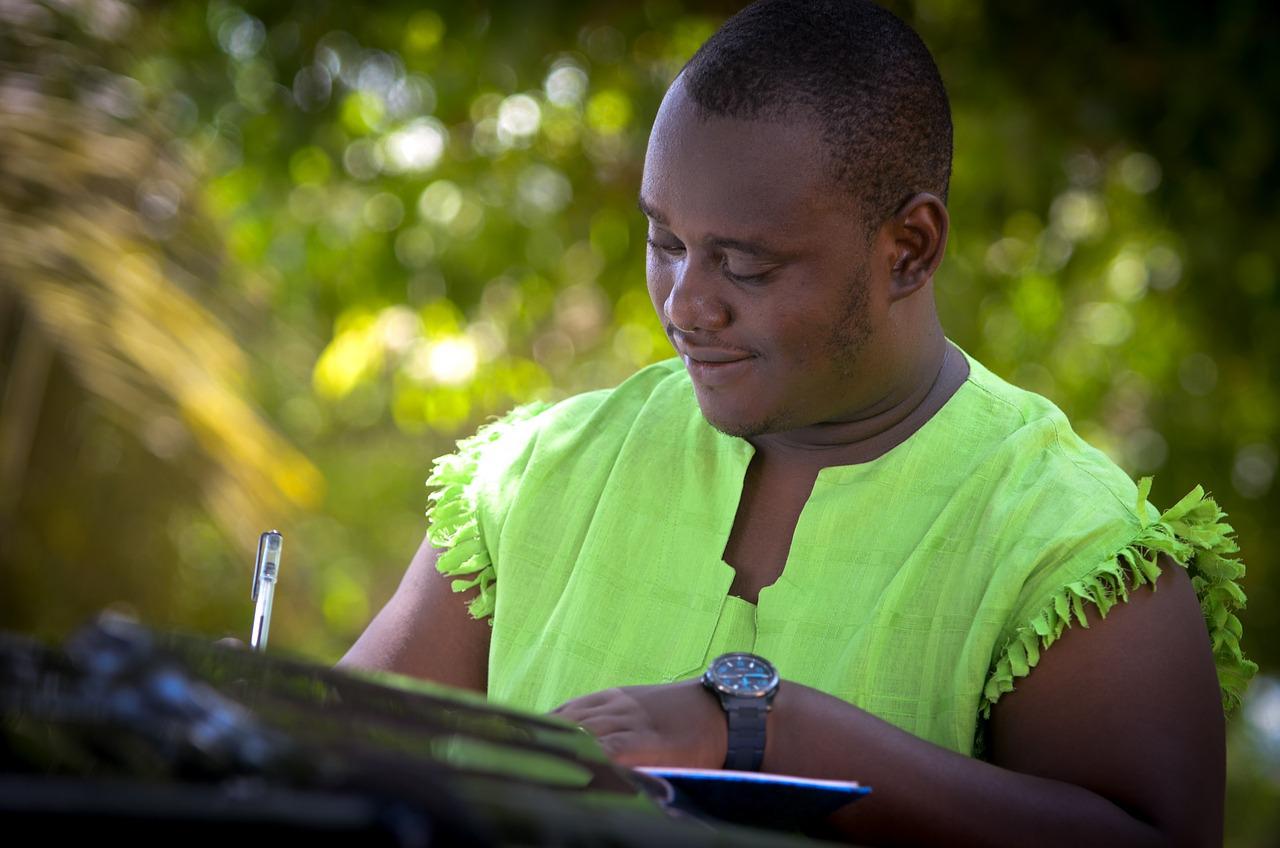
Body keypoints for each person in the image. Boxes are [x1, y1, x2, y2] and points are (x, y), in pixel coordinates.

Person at [340, 1, 1255, 844]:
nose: (686, 304)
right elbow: (336, 758)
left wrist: (776, 733)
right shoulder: (538, 476)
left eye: (744, 264)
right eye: (665, 241)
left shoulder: (1065, 546)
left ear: (910, 249)